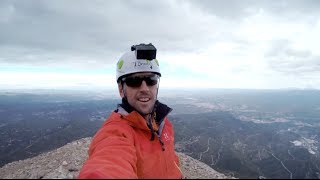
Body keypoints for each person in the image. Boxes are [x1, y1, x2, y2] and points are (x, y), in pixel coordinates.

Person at [78, 43, 183, 179]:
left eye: (151, 80)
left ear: (156, 85)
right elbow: (109, 163)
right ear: (121, 89)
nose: (145, 88)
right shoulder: (117, 132)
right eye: (134, 81)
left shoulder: (163, 122)